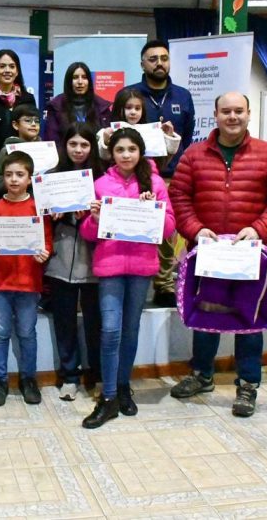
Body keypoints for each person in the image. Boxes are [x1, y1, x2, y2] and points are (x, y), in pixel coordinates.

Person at [168, 92, 267, 417]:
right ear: (216, 114)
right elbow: (179, 196)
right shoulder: (194, 155)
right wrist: (195, 230)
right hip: (208, 252)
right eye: (226, 111)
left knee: (248, 319)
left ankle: (248, 385)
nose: (233, 116)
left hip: (248, 253)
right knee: (205, 316)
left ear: (249, 114)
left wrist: (259, 229)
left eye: (239, 111)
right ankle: (202, 375)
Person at [79, 127, 175, 428]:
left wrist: (152, 212)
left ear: (140, 152)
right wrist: (94, 219)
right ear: (112, 152)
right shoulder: (100, 185)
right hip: (109, 266)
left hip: (141, 268)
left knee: (130, 331)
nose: (126, 155)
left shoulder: (156, 183)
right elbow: (86, 233)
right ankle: (107, 397)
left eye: (132, 150)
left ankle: (122, 387)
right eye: (120, 150)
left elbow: (169, 228)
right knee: (110, 331)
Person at [125, 39, 195, 308]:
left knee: (168, 232)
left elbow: (186, 137)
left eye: (163, 58)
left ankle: (164, 284)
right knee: (137, 228)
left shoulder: (182, 96)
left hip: (170, 176)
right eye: (152, 59)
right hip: (133, 176)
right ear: (142, 63)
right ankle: (137, 280)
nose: (159, 63)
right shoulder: (131, 94)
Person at [0, 151, 53, 406]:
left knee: (26, 333)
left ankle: (28, 379)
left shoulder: (38, 209)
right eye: (9, 174)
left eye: (19, 175)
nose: (13, 180)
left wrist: (45, 253)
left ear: (29, 178)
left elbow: (46, 242)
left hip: (29, 282)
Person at [45, 126, 105, 399]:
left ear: (92, 147)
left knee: (96, 322)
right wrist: (52, 216)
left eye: (84, 144)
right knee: (64, 320)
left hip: (93, 260)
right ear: (64, 146)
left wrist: (91, 215)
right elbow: (38, 219)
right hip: (60, 257)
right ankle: (70, 375)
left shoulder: (102, 179)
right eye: (73, 144)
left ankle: (97, 373)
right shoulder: (51, 178)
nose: (78, 150)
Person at [98, 88, 181, 161]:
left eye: (137, 108)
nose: (133, 112)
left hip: (145, 176)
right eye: (128, 107)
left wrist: (168, 137)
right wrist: (105, 141)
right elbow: (105, 160)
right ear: (119, 108)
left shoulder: (151, 133)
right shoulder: (107, 132)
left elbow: (161, 164)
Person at [44, 61, 112, 150]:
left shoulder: (102, 106)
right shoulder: (56, 106)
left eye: (84, 77)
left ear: (89, 81)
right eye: (75, 77)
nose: (80, 82)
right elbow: (52, 141)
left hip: (96, 160)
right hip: (64, 160)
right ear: (68, 81)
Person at [0, 48, 37, 152]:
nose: (7, 70)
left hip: (22, 157)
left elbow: (33, 131)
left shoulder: (27, 99)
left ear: (17, 72)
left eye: (12, 66)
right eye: (2, 66)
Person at [0, 103, 43, 198]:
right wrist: (21, 181)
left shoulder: (47, 149)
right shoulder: (7, 150)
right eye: (28, 120)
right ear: (15, 125)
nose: (34, 124)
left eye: (37, 121)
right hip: (15, 202)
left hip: (41, 203)